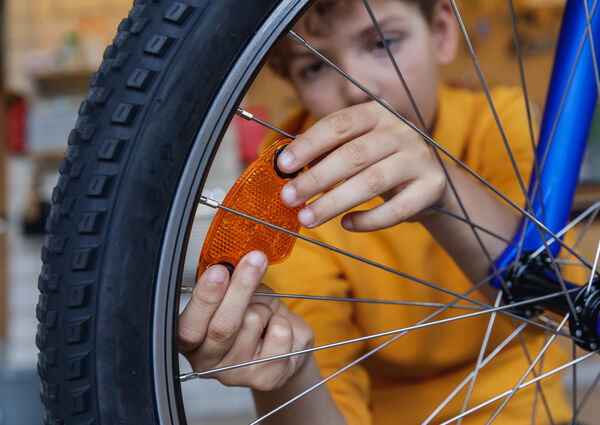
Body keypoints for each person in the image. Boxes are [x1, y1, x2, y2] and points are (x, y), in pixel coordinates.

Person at [178, 0, 572, 423]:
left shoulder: (500, 123)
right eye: (314, 67)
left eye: (383, 42)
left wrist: (444, 189)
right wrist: (287, 369)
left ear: (441, 32)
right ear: (290, 82)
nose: (357, 89)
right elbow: (331, 403)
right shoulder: (288, 197)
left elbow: (559, 305)